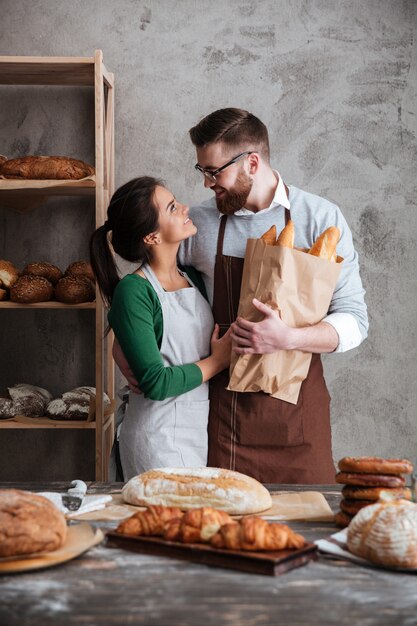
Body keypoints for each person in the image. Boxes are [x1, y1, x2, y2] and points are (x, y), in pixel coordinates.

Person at [176, 107, 369, 484]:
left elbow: (354, 320)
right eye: (202, 172)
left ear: (252, 162)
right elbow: (151, 284)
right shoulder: (198, 223)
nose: (207, 184)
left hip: (297, 420)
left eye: (215, 172)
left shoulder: (320, 218)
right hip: (223, 415)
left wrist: (289, 338)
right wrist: (129, 349)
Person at [89, 176, 231, 480]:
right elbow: (155, 383)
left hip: (194, 434)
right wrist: (219, 361)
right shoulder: (134, 290)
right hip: (156, 440)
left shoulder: (191, 276)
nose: (184, 208)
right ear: (152, 237)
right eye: (172, 207)